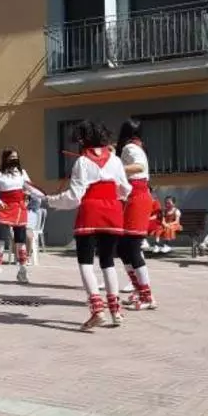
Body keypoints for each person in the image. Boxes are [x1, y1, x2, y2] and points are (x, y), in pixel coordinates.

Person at [48, 120, 131, 329]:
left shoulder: (82, 162)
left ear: (83, 140)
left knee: (85, 262)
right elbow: (125, 189)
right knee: (108, 262)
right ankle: (116, 310)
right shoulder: (115, 159)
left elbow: (75, 196)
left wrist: (51, 200)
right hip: (113, 213)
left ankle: (97, 309)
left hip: (91, 212)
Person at [116, 120, 157, 310]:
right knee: (124, 248)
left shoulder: (130, 147)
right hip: (132, 197)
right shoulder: (133, 147)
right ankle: (138, 289)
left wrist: (113, 168)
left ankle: (147, 296)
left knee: (132, 247)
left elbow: (138, 167)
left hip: (136, 197)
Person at [0, 148, 44, 284]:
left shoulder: (22, 173)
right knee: (0, 239)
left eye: (16, 157)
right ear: (5, 158)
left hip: (20, 208)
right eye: (11, 157)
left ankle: (22, 270)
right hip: (5, 208)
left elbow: (30, 188)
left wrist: (45, 196)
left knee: (20, 241)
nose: (14, 159)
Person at [25, 194, 43, 262]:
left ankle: (27, 256)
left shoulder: (33, 212)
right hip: (18, 226)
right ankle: (18, 256)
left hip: (29, 227)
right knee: (14, 236)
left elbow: (38, 201)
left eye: (27, 200)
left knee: (29, 236)